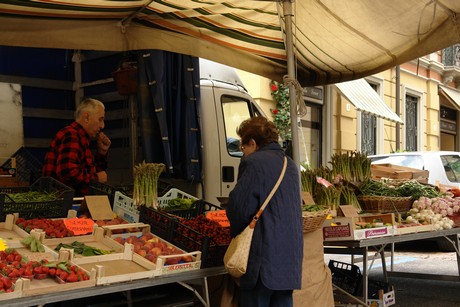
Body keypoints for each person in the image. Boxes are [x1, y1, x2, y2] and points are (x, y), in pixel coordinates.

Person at [226, 116, 303, 307]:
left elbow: (240, 209)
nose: (243, 153)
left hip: (262, 260)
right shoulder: (291, 165)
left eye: (243, 148)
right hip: (289, 261)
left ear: (252, 142)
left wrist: (235, 232)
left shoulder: (254, 163)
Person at [42, 98, 111, 196]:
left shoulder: (81, 138)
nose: (102, 126)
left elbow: (89, 174)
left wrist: (101, 153)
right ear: (86, 117)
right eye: (100, 119)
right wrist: (96, 178)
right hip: (64, 205)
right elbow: (67, 173)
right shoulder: (72, 136)